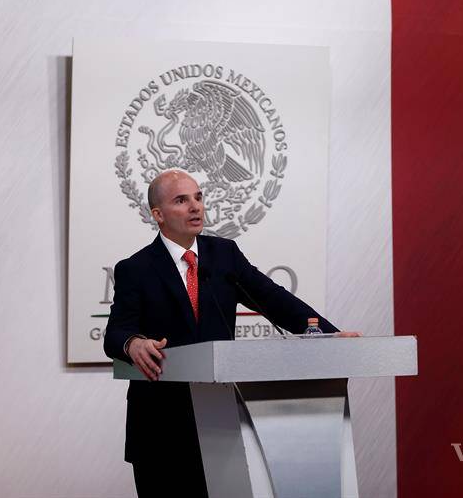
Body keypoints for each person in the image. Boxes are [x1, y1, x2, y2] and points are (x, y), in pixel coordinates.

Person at [104, 169, 358, 497]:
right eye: (181, 200)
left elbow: (274, 299)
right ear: (158, 214)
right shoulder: (135, 268)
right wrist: (133, 343)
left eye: (198, 197)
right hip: (161, 426)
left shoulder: (224, 255)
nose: (195, 206)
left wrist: (327, 336)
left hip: (221, 421)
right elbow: (116, 332)